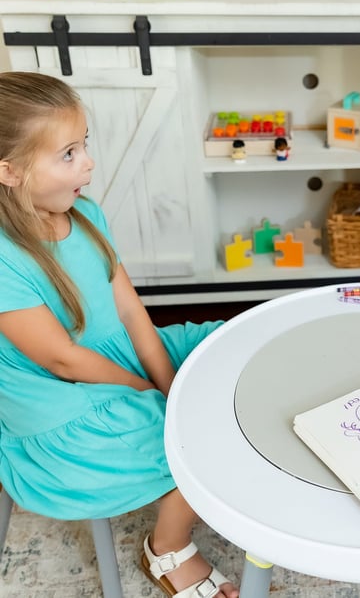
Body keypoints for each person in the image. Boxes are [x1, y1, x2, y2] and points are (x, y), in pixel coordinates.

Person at [0, 72, 239, 598]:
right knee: (199, 435)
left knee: (232, 349)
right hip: (59, 401)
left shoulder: (84, 213)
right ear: (10, 171)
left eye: (84, 145)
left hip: (115, 356)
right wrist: (152, 395)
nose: (87, 162)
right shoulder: (4, 256)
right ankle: (168, 548)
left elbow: (132, 315)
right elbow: (63, 360)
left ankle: (203, 438)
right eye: (68, 153)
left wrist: (169, 384)